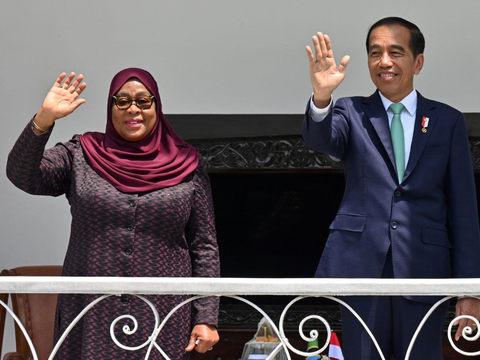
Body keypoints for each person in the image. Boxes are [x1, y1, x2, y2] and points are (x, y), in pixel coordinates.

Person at [7, 68, 220, 359]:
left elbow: (204, 245)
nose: (133, 108)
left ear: (157, 107)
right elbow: (22, 175)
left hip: (164, 313)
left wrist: (206, 317)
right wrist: (44, 119)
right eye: (122, 101)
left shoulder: (188, 164)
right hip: (89, 312)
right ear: (111, 107)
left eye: (144, 101)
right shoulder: (81, 155)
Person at [302, 17, 480, 359]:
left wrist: (469, 287)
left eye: (395, 52)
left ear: (418, 62)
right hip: (361, 266)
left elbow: (463, 209)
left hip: (425, 269)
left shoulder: (447, 120)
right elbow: (321, 139)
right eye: (375, 53)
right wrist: (322, 97)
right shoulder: (351, 111)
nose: (384, 61)